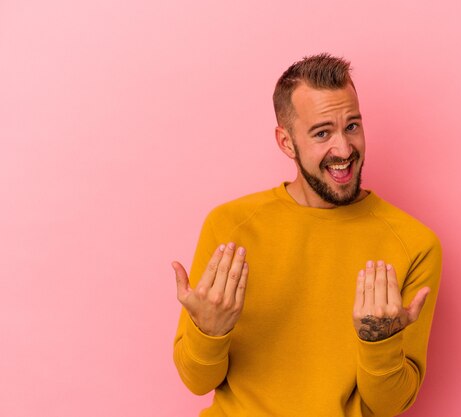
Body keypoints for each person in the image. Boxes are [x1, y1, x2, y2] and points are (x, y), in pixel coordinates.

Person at [172, 53, 442, 417]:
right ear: (286, 142)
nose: (344, 150)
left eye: (352, 126)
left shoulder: (415, 244)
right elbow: (197, 381)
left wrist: (378, 342)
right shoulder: (230, 227)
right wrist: (209, 332)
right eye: (322, 133)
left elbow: (390, 404)